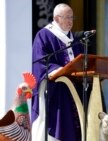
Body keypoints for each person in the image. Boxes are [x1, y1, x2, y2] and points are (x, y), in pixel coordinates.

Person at [31, 3, 86, 141]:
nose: (70, 21)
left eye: (72, 17)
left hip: (75, 90)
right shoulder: (44, 35)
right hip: (56, 90)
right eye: (66, 17)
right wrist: (57, 69)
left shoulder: (75, 40)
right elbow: (40, 61)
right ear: (56, 19)